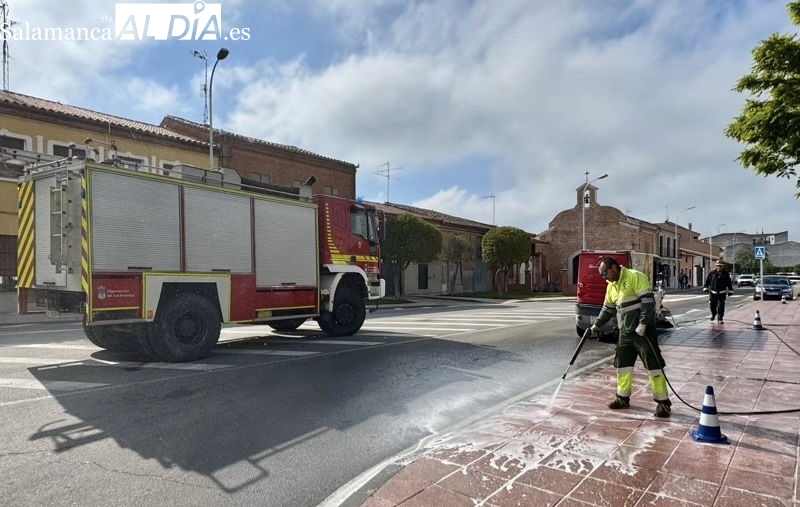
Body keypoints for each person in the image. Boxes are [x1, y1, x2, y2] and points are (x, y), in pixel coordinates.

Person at [590, 256, 671, 418]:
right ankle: (622, 398)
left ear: (614, 268)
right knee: (623, 366)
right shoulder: (611, 286)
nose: (603, 277)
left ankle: (663, 403)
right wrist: (596, 325)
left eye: (605, 273)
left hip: (643, 333)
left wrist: (643, 324)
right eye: (601, 274)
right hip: (625, 333)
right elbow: (608, 309)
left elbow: (648, 303)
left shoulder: (635, 277)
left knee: (653, 366)